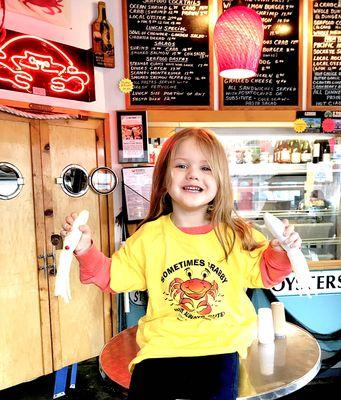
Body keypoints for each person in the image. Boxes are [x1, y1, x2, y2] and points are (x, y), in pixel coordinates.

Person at [61, 128, 301, 400]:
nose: (193, 174)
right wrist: (85, 249)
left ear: (220, 180)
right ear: (164, 178)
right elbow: (110, 276)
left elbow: (266, 273)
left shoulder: (237, 234)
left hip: (221, 348)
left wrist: (281, 251)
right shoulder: (150, 237)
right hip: (160, 349)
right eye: (181, 165)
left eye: (206, 167)